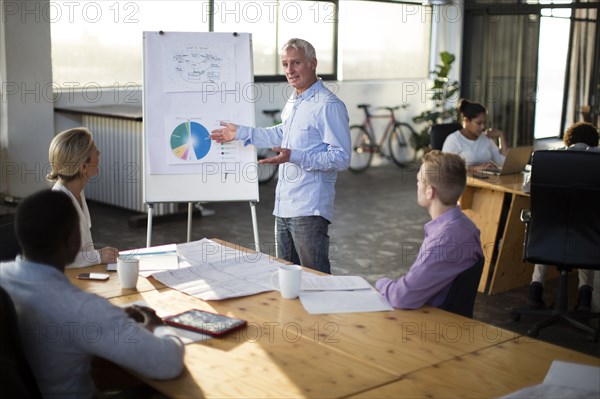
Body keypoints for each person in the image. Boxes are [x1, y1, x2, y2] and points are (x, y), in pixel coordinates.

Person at [0, 190, 185, 398]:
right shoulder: (82, 308)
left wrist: (112, 317)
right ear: (73, 241)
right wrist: (156, 325)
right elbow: (169, 363)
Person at [210, 38, 351, 274]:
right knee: (287, 277)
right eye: (285, 64)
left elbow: (341, 157)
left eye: (296, 62)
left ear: (313, 63)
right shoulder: (295, 100)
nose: (289, 70)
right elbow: (281, 133)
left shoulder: (328, 105)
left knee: (315, 279)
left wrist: (295, 155)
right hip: (283, 206)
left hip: (309, 209)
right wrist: (241, 133)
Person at [375, 151, 484, 309]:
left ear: (429, 192)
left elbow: (402, 298)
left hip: (433, 323)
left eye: (419, 180)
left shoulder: (444, 240)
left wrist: (380, 282)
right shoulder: (466, 226)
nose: (417, 184)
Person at [526, 122, 599, 311]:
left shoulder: (550, 158)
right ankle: (584, 298)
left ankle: (535, 293)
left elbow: (527, 187)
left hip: (549, 235)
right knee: (587, 229)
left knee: (546, 227)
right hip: (588, 236)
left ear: (568, 140)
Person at [47, 127, 118, 267]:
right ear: (84, 167)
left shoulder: (76, 192)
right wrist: (98, 256)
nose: (99, 153)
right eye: (95, 151)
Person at [442, 99, 509, 172]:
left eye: (484, 123)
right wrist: (476, 168)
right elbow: (446, 168)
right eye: (479, 123)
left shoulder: (485, 138)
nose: (483, 127)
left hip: (488, 181)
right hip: (463, 182)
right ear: (466, 121)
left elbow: (503, 162)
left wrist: (501, 135)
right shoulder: (454, 140)